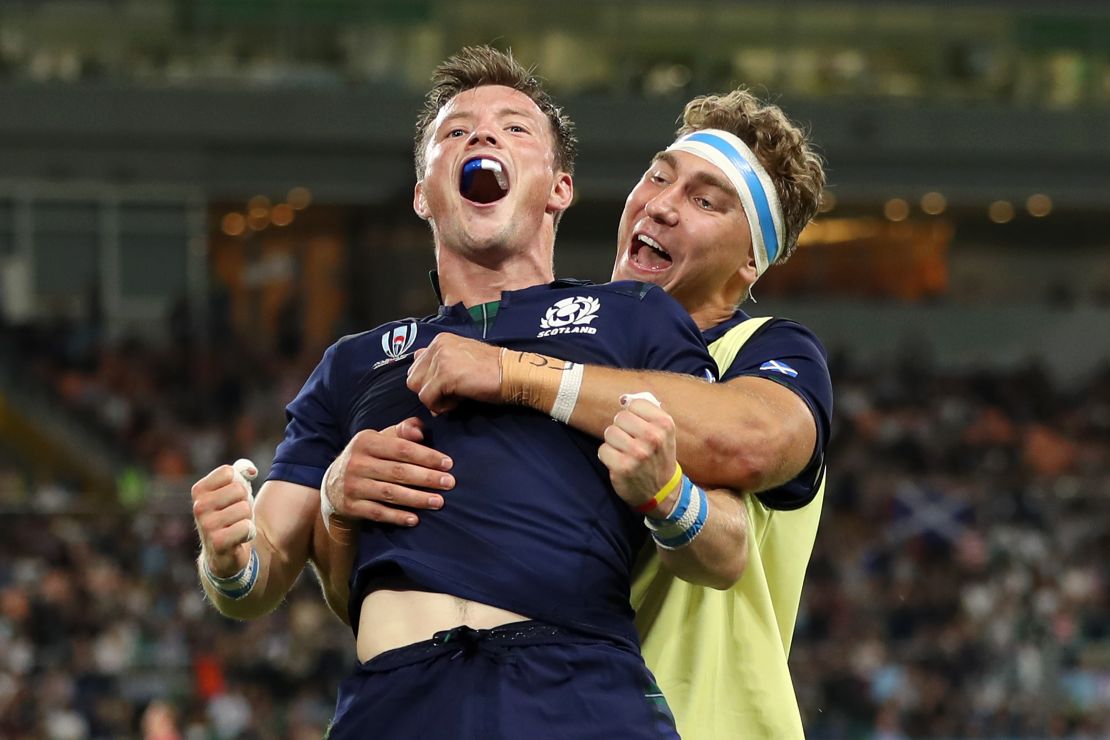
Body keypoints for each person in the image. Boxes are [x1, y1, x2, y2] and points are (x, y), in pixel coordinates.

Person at [190, 46, 719, 739]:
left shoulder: (632, 319)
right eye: (456, 130)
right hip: (397, 702)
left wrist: (664, 488)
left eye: (515, 127)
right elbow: (257, 579)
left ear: (559, 188)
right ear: (423, 195)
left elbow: (724, 547)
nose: (483, 135)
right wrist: (226, 556)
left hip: (577, 689)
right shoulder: (352, 365)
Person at [351, 87, 831, 738]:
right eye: (658, 177)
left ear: (751, 260)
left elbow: (752, 438)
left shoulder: (767, 349)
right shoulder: (580, 351)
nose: (660, 205)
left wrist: (516, 371)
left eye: (703, 200)